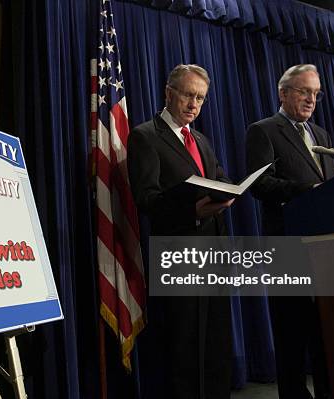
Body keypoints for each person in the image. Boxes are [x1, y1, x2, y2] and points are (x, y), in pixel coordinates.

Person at [127, 64, 234, 398]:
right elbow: (146, 199)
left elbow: (220, 176)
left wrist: (230, 192)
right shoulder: (145, 136)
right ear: (168, 92)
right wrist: (191, 210)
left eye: (200, 98)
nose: (194, 104)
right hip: (178, 254)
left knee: (214, 343)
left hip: (214, 253)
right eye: (188, 95)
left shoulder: (201, 139)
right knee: (182, 347)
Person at [245, 64, 334, 399]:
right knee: (291, 332)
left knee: (324, 330)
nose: (311, 99)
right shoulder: (263, 130)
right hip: (285, 243)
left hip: (324, 244)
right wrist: (303, 189)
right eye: (303, 91)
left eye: (315, 93)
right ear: (283, 93)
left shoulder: (322, 135)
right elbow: (259, 184)